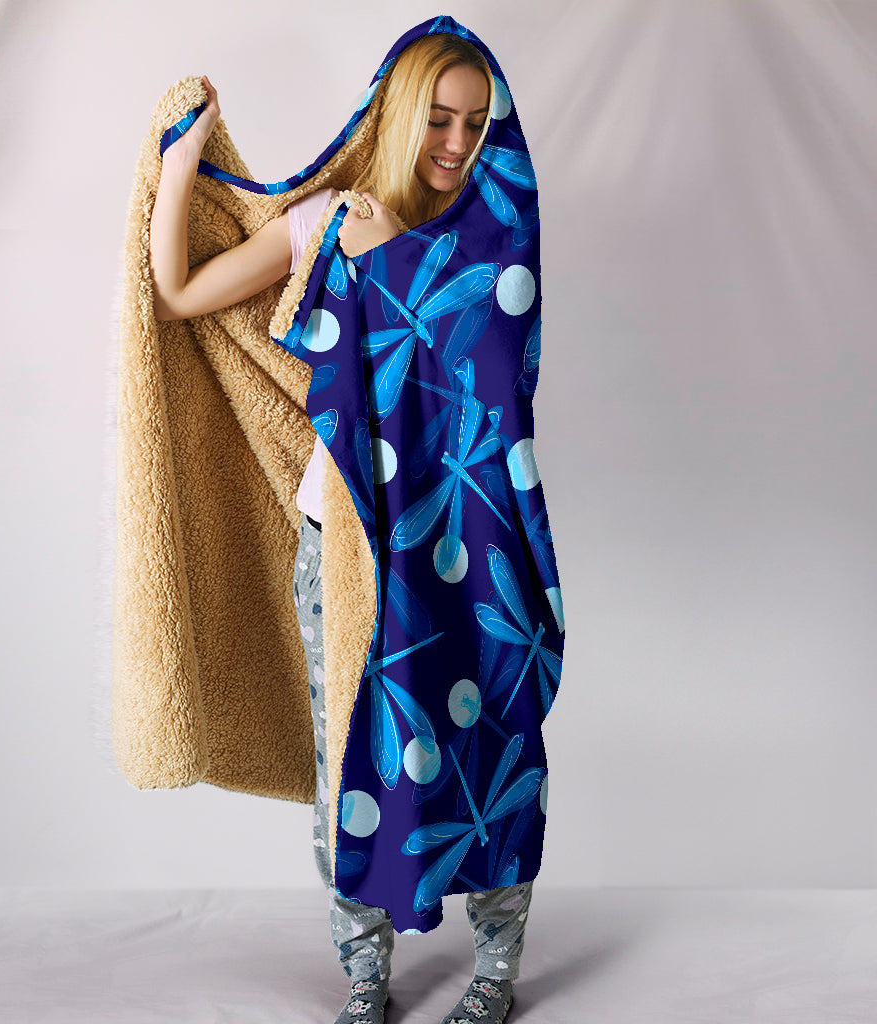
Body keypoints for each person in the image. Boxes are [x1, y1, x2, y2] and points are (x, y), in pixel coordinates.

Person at [148, 32, 531, 1024]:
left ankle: (496, 969)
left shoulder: (492, 236)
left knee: (489, 732)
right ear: (398, 115)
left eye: (474, 122)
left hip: (463, 540)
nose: (456, 142)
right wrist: (180, 164)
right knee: (352, 751)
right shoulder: (327, 221)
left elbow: (488, 376)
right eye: (438, 118)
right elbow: (179, 296)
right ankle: (364, 970)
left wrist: (393, 258)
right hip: (347, 541)